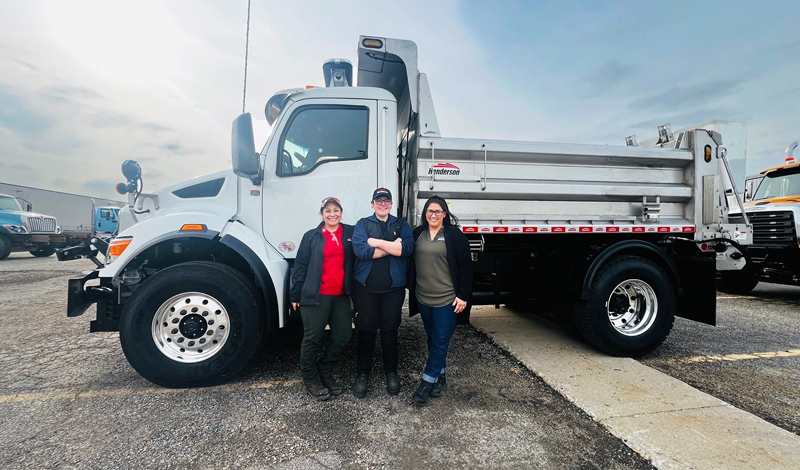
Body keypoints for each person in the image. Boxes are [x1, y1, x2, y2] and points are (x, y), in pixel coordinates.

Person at [408, 196, 473, 406]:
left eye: (437, 211)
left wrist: (463, 295)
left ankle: (427, 382)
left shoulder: (455, 236)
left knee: (439, 341)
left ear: (445, 214)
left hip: (447, 300)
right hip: (424, 298)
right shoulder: (418, 234)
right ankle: (441, 377)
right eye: (429, 211)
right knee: (432, 338)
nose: (433, 215)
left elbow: (466, 268)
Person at [351, 188, 415, 398]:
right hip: (366, 289)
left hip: (393, 290)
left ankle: (391, 373)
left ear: (390, 204)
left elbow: (407, 249)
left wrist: (376, 242)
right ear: (372, 204)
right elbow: (362, 251)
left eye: (386, 201)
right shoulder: (363, 224)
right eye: (379, 201)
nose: (383, 204)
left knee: (390, 331)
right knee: (366, 331)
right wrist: (391, 247)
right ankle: (362, 374)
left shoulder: (401, 224)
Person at [290, 197, 355, 401]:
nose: (332, 214)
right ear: (322, 215)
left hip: (341, 296)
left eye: (336, 210)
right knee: (313, 338)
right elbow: (300, 266)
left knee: (343, 336)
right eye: (328, 211)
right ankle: (310, 379)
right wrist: (295, 294)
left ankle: (325, 371)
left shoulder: (351, 233)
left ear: (341, 213)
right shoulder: (311, 236)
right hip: (316, 296)